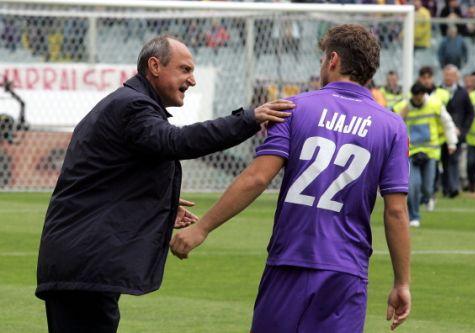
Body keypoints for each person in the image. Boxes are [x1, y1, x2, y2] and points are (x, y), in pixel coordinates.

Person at [35, 35, 294, 333]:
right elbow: (176, 142)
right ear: (155, 66)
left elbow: (109, 180)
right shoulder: (132, 106)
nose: (192, 80)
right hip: (84, 265)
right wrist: (249, 119)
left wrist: (161, 203)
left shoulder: (129, 104)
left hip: (82, 262)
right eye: (184, 69)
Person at [171, 24, 412, 332]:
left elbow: (258, 178)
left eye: (323, 58)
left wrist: (201, 229)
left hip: (290, 260)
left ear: (333, 60)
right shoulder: (392, 126)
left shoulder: (293, 107)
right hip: (346, 270)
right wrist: (401, 282)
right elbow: (395, 211)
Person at [394, 82, 458, 227]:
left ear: (424, 95)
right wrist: (401, 114)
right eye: (415, 98)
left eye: (419, 98)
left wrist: (452, 143)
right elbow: (392, 122)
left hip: (430, 152)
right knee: (412, 186)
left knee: (428, 188)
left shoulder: (435, 104)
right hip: (411, 152)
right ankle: (414, 216)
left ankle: (426, 198)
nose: (417, 101)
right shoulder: (405, 106)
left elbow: (447, 123)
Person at [417, 66, 452, 210]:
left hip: (440, 138)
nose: (426, 80)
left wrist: (452, 134)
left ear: (432, 78)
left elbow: (450, 113)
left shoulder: (443, 94)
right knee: (421, 171)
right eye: (423, 77)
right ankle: (425, 195)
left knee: (436, 170)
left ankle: (431, 195)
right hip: (421, 140)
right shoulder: (414, 93)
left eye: (428, 77)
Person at [440, 65, 474, 197]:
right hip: (441, 133)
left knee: (454, 160)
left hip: (456, 133)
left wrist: (463, 130)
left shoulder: (463, 93)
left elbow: (470, 113)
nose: (448, 77)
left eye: (451, 75)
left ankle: (454, 187)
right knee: (444, 161)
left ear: (456, 77)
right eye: (446, 75)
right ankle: (445, 187)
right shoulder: (438, 91)